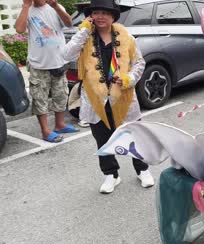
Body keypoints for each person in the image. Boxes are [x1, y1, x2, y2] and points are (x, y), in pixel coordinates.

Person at [63, 0, 154, 194]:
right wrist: (84, 30)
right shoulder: (86, 37)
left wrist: (129, 78)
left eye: (105, 12)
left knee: (134, 135)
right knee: (102, 138)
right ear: (91, 16)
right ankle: (111, 174)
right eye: (96, 13)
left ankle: (142, 169)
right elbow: (66, 54)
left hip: (124, 98)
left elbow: (139, 63)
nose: (100, 16)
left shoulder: (126, 37)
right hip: (96, 99)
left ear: (113, 16)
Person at [15, 0, 79, 143]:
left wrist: (56, 6)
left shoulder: (55, 7)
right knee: (40, 99)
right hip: (39, 64)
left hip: (59, 61)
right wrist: (25, 6)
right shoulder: (28, 9)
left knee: (61, 95)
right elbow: (19, 29)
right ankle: (45, 131)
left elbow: (69, 23)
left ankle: (60, 125)